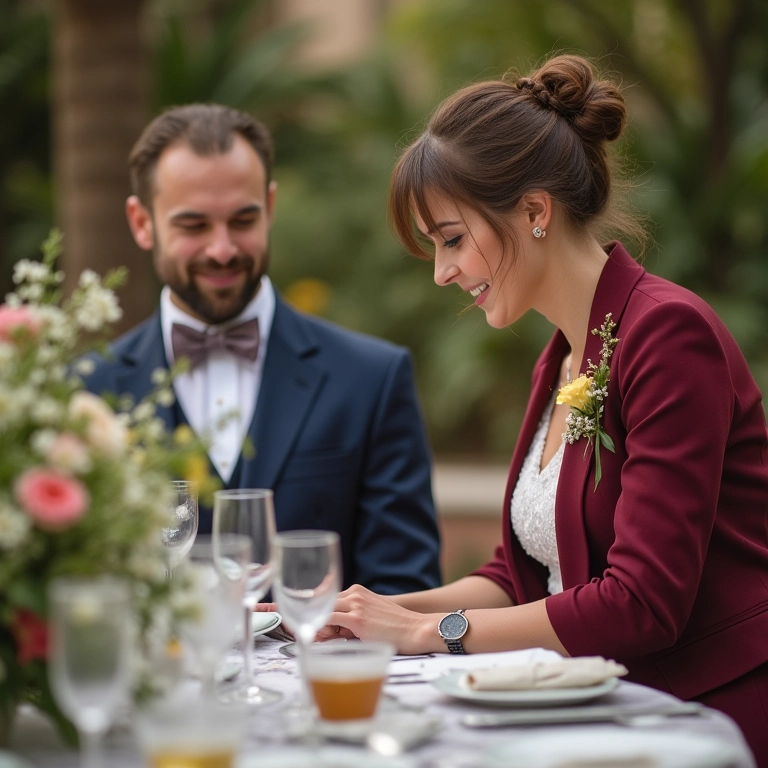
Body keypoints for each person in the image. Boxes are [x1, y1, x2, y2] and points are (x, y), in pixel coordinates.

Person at [312, 54, 768, 760]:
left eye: (452, 239)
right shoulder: (559, 357)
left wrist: (425, 634)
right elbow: (519, 576)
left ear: (533, 211)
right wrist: (373, 612)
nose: (442, 273)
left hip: (699, 709)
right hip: (588, 705)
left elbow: (642, 604)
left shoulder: (668, 336)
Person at [82, 103, 441, 595]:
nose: (223, 249)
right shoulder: (84, 393)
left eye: (243, 220)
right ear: (142, 222)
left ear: (270, 207)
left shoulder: (372, 380)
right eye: (194, 226)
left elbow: (406, 592)